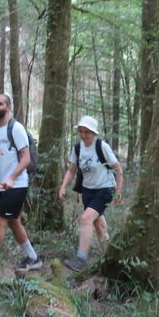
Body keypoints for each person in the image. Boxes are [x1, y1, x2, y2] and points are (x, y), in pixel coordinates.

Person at [0, 94, 42, 280]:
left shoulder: (16, 129)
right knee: (13, 221)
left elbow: (26, 158)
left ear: (8, 107)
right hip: (3, 187)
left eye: (0, 103)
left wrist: (11, 177)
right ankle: (33, 258)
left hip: (17, 185)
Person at [58, 116, 123, 272]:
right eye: (81, 131)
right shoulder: (78, 148)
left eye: (87, 132)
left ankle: (81, 259)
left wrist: (118, 193)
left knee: (86, 218)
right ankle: (110, 260)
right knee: (99, 226)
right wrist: (63, 186)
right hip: (88, 191)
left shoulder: (102, 147)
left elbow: (119, 170)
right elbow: (71, 169)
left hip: (104, 189)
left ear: (94, 133)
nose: (83, 135)